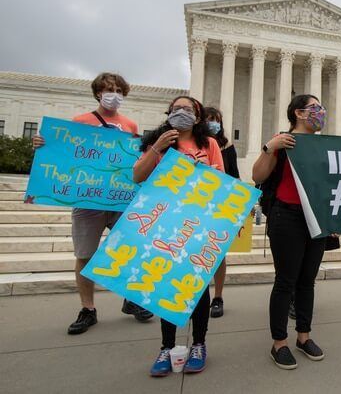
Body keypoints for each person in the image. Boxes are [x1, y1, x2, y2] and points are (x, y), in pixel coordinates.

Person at [32, 72, 153, 335]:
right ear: (98, 92)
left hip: (120, 200)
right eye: (109, 90)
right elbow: (64, 152)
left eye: (119, 90)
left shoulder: (130, 126)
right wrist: (43, 145)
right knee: (85, 255)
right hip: (87, 201)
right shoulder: (80, 122)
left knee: (128, 252)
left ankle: (131, 299)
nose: (114, 95)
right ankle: (88, 308)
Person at [134, 95, 224, 376]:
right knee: (166, 285)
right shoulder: (158, 141)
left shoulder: (208, 143)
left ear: (197, 116)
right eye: (177, 109)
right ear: (169, 113)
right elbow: (138, 176)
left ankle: (199, 343)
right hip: (165, 222)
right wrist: (157, 148)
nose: (181, 112)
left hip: (197, 222)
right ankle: (166, 347)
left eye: (188, 109)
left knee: (196, 287)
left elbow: (222, 181)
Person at [252, 94, 328, 370]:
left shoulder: (323, 145)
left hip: (316, 218)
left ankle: (304, 337)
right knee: (286, 281)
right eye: (314, 108)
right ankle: (279, 342)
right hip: (287, 215)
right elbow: (257, 176)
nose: (320, 112)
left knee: (307, 281)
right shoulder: (283, 141)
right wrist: (268, 148)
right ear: (298, 113)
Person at [203, 107, 241, 318]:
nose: (212, 123)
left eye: (215, 119)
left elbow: (234, 177)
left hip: (218, 207)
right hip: (193, 206)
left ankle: (217, 296)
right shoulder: (191, 145)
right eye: (208, 119)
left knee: (218, 255)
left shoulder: (227, 147)